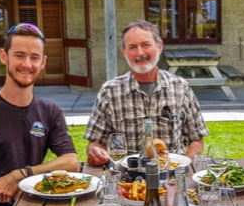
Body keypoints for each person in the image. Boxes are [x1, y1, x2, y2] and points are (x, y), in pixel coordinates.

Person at [0, 23, 78, 206]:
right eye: (19, 55)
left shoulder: (50, 111)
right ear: (3, 57)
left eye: (34, 57)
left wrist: (23, 175)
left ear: (43, 63)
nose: (27, 64)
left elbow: (71, 161)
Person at [84, 20, 209, 165]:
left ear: (159, 47)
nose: (140, 52)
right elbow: (95, 142)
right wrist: (95, 151)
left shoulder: (180, 87)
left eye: (146, 45)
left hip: (171, 177)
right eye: (132, 47)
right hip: (127, 179)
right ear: (124, 52)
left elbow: (196, 139)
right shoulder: (110, 91)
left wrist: (185, 167)